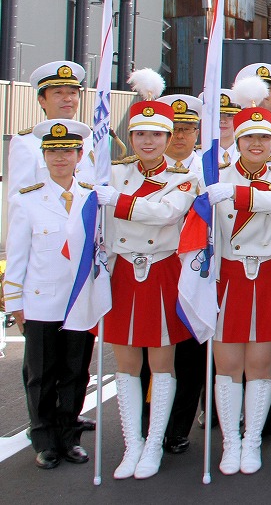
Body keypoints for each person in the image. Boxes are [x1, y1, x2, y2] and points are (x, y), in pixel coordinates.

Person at [94, 69, 199, 480]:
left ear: (170, 137)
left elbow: (165, 214)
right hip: (124, 272)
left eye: (157, 135)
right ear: (132, 137)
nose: (149, 142)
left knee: (162, 363)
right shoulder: (114, 171)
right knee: (126, 363)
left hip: (162, 271)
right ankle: (132, 443)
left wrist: (116, 202)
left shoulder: (185, 177)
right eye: (141, 135)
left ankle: (154, 443)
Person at [205, 77, 271, 476]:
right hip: (228, 276)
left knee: (260, 367)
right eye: (248, 139)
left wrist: (233, 194)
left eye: (263, 138)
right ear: (238, 142)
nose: (256, 145)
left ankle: (252, 442)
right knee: (227, 366)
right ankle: (230, 442)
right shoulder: (217, 174)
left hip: (267, 275)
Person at [4, 120, 96, 470]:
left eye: (67, 151)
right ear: (44, 156)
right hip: (41, 300)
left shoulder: (91, 197)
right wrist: (15, 304)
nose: (60, 158)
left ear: (79, 155)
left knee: (75, 371)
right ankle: (43, 438)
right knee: (41, 375)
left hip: (80, 300)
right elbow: (18, 255)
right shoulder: (26, 200)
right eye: (53, 151)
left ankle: (69, 436)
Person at [153, 93, 207, 455]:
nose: (180, 137)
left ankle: (178, 429)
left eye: (188, 129)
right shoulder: (139, 169)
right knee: (151, 354)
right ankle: (149, 428)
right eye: (174, 130)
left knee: (190, 356)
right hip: (154, 270)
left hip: (196, 272)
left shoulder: (210, 167)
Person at [7, 61, 94, 191]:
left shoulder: (91, 137)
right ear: (42, 101)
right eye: (58, 93)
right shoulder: (26, 142)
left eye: (72, 93)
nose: (67, 99)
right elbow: (18, 198)